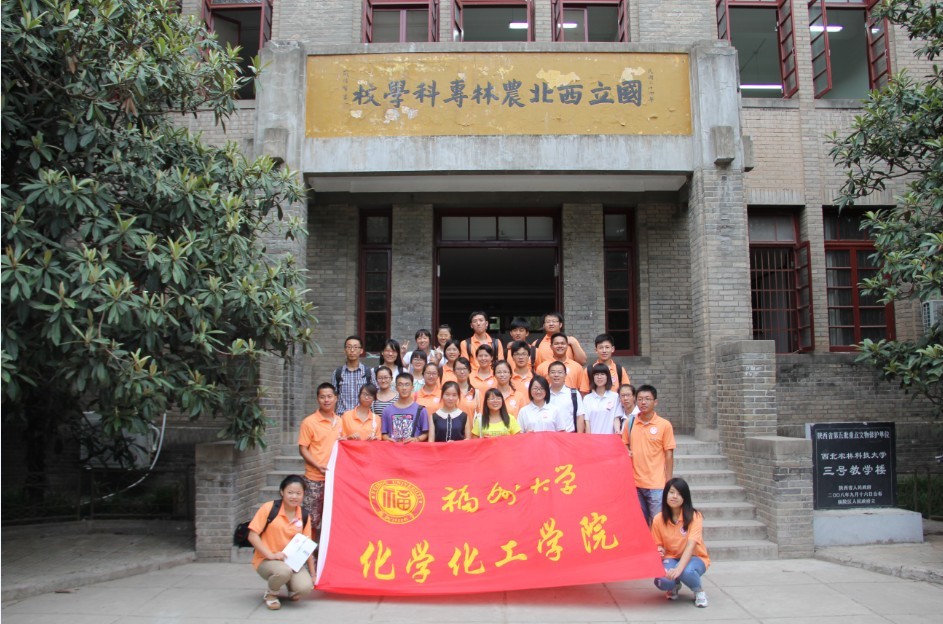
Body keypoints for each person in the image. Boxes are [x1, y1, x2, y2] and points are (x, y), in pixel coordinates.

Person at [246, 475, 315, 610]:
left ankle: (291, 587)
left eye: (298, 493)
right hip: (266, 559)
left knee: (305, 588)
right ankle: (271, 594)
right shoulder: (269, 508)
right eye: (290, 492)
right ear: (282, 492)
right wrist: (271, 555)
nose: (294, 496)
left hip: (291, 562)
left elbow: (307, 546)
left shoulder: (304, 515)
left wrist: (313, 574)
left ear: (303, 495)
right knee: (283, 571)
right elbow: (252, 536)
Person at [651, 477, 711, 608]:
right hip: (671, 557)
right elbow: (657, 544)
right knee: (662, 580)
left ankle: (699, 591)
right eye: (671, 492)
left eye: (679, 494)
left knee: (685, 571)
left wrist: (679, 568)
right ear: (665, 495)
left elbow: (691, 545)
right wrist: (659, 550)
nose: (674, 496)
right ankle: (674, 585)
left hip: (695, 558)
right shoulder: (658, 519)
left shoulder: (695, 516)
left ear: (685, 497)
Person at [622, 384, 676, 526]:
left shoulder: (664, 425)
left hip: (656, 485)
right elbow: (624, 444)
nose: (643, 402)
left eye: (647, 399)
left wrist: (668, 481)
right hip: (635, 484)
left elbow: (669, 455)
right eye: (640, 399)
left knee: (658, 524)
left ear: (655, 402)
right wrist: (626, 450)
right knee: (640, 525)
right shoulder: (630, 423)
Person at [297, 383, 342, 540]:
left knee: (332, 519)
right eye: (322, 397)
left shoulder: (340, 421)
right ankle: (309, 553)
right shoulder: (309, 422)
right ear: (317, 399)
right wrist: (317, 466)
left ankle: (325, 552)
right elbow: (303, 449)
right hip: (314, 479)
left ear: (336, 398)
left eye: (329, 396)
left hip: (334, 479)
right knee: (311, 520)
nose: (326, 400)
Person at [381, 372, 430, 443]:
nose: (404, 388)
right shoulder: (387, 410)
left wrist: (417, 439)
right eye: (400, 385)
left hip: (413, 448)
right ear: (396, 388)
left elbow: (425, 433)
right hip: (393, 448)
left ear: (412, 387)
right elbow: (384, 433)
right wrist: (387, 439)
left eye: (407, 385)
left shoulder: (421, 410)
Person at [332, 335, 375, 414]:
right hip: (342, 417)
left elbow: (374, 396)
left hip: (363, 417)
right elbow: (333, 398)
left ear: (361, 350)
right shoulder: (338, 373)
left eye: (355, 347)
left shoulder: (369, 372)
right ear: (344, 350)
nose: (352, 350)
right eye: (349, 347)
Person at [581, 364, 621, 435]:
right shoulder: (587, 399)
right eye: (596, 374)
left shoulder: (615, 397)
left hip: (610, 438)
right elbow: (587, 422)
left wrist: (617, 431)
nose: (599, 377)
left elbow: (616, 418)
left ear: (607, 377)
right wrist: (589, 438)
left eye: (602, 374)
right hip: (593, 439)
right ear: (593, 377)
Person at [547, 360, 584, 434]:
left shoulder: (573, 393)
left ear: (565, 375)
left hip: (569, 435)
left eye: (560, 372)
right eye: (553, 372)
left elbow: (579, 416)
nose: (556, 375)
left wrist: (579, 437)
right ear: (548, 375)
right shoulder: (544, 394)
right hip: (549, 436)